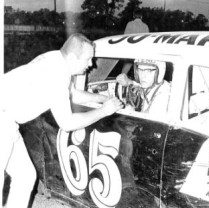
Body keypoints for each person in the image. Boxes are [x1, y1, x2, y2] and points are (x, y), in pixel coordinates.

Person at [0, 33, 123, 208]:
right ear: (73, 57)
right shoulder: (57, 74)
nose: (91, 64)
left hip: (7, 120)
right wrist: (104, 111)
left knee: (25, 176)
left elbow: (72, 93)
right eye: (88, 59)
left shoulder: (55, 58)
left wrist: (101, 99)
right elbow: (67, 123)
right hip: (2, 121)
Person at [122, 9, 149, 74]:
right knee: (140, 70)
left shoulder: (130, 24)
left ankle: (121, 82)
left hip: (131, 50)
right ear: (141, 16)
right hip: (141, 51)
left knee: (125, 69)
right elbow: (147, 40)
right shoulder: (145, 26)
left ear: (133, 16)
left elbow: (125, 37)